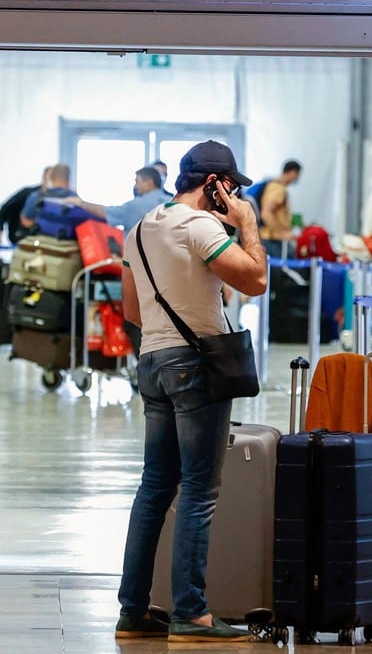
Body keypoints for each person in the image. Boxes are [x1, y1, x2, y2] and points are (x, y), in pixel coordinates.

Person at [115, 140, 267, 642]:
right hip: (195, 366)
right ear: (216, 185)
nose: (235, 195)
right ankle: (191, 611)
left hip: (152, 363)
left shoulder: (138, 230)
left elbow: (132, 313)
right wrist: (246, 223)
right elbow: (255, 280)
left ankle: (133, 609)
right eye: (232, 187)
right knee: (200, 491)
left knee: (155, 486)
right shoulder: (200, 226)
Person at [59, 166, 172, 231]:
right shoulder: (172, 202)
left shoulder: (134, 206)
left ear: (149, 183)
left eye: (138, 182)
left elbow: (105, 212)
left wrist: (80, 203)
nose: (136, 186)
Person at [252, 159, 301, 257]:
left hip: (272, 240)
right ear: (292, 172)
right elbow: (266, 213)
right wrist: (282, 233)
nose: (297, 178)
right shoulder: (278, 188)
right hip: (272, 241)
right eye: (297, 174)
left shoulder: (275, 185)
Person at [0, 166, 50, 244]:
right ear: (44, 178)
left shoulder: (57, 198)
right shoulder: (28, 194)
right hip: (20, 234)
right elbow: (5, 209)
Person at [20, 163, 76, 231]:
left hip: (40, 239)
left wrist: (41, 225)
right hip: (67, 240)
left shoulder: (36, 196)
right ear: (68, 179)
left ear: (51, 178)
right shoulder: (75, 199)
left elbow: (25, 220)